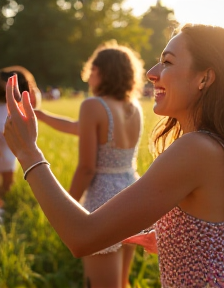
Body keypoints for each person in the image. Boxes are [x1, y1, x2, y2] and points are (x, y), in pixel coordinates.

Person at [4, 23, 224, 287]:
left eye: (168, 62)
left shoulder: (196, 148)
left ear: (205, 78)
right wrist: (175, 238)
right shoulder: (220, 143)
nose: (152, 72)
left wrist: (29, 153)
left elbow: (82, 237)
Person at [34, 42, 145, 288]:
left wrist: (66, 209)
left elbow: (87, 167)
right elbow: (79, 128)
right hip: (132, 194)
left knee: (102, 284)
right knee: (121, 280)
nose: (88, 75)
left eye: (91, 69)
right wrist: (42, 116)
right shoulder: (133, 107)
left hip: (103, 198)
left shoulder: (93, 105)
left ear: (100, 72)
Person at [0, 66, 41, 201]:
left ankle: (3, 203)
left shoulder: (13, 108)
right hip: (7, 143)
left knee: (7, 176)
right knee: (7, 176)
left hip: (8, 144)